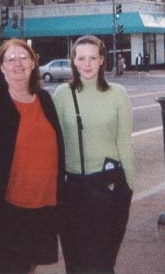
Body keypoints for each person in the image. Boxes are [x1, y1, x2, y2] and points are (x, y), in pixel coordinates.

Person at [0, 38, 64, 274]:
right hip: (3, 205)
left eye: (24, 58)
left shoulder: (45, 100)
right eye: (11, 59)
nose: (18, 64)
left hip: (41, 204)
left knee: (27, 265)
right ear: (2, 67)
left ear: (34, 63)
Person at [53, 35, 134, 274]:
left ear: (101, 61)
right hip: (72, 188)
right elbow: (55, 144)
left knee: (103, 262)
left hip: (109, 185)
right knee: (76, 262)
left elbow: (124, 141)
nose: (86, 64)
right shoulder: (62, 94)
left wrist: (129, 185)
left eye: (92, 58)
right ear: (74, 62)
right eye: (81, 58)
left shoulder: (118, 94)